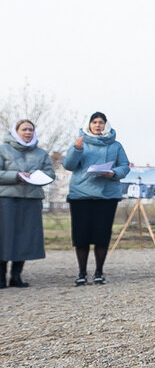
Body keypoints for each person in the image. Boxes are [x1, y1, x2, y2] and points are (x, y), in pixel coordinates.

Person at [62, 112, 131, 286]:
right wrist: (76, 149)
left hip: (106, 197)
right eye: (94, 122)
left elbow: (124, 166)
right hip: (81, 196)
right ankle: (82, 273)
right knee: (81, 235)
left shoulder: (115, 146)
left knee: (102, 235)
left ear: (106, 125)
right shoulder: (80, 142)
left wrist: (113, 173)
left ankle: (99, 272)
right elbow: (68, 165)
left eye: (101, 122)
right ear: (89, 125)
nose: (98, 125)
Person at [0, 119, 55, 288]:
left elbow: (50, 174)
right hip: (7, 199)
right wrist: (16, 175)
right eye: (24, 129)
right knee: (4, 238)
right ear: (16, 131)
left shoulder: (41, 153)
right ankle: (1, 278)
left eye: (31, 129)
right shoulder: (3, 149)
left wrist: (36, 176)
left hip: (31, 199)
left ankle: (16, 276)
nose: (28, 132)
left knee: (25, 238)